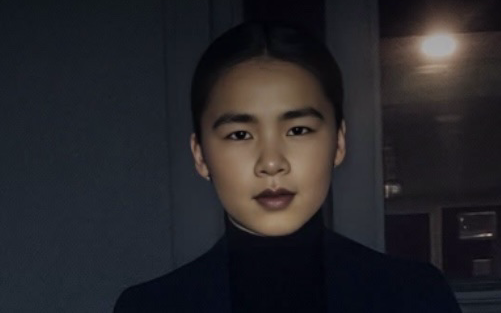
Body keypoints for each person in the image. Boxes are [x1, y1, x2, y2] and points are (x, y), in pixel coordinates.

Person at [113, 22, 461, 312]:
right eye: (239, 134)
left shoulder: (416, 296)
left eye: (298, 130)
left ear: (338, 142)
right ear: (200, 155)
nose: (271, 163)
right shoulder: (148, 307)